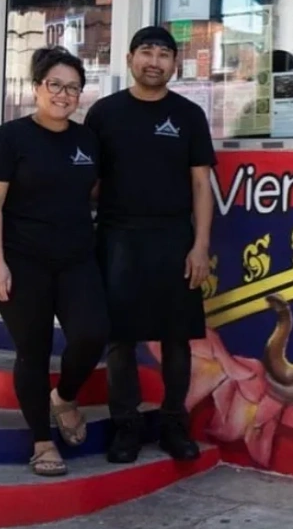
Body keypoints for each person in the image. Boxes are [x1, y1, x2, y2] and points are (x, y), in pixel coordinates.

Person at [83, 25, 217, 463]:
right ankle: (126, 426)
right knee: (120, 339)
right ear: (129, 59)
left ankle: (174, 423)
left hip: (174, 238)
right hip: (117, 237)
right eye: (146, 52)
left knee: (177, 338)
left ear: (175, 64)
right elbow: (90, 181)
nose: (154, 61)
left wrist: (200, 246)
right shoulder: (104, 114)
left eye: (164, 54)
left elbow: (202, 185)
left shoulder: (188, 116)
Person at [0, 47, 110, 476]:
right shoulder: (10, 138)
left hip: (75, 258)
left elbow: (93, 192)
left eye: (73, 87)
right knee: (32, 350)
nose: (63, 94)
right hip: (19, 260)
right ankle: (41, 442)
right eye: (54, 84)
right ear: (37, 88)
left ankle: (64, 397)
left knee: (92, 335)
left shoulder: (86, 140)